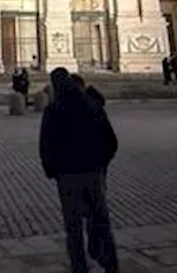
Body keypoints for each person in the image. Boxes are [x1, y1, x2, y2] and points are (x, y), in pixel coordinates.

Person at [40, 68, 119, 273]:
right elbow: (110, 140)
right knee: (101, 220)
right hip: (93, 172)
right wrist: (101, 165)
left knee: (73, 226)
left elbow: (46, 145)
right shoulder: (92, 104)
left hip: (67, 177)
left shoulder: (53, 109)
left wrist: (53, 170)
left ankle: (79, 266)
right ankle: (111, 264)